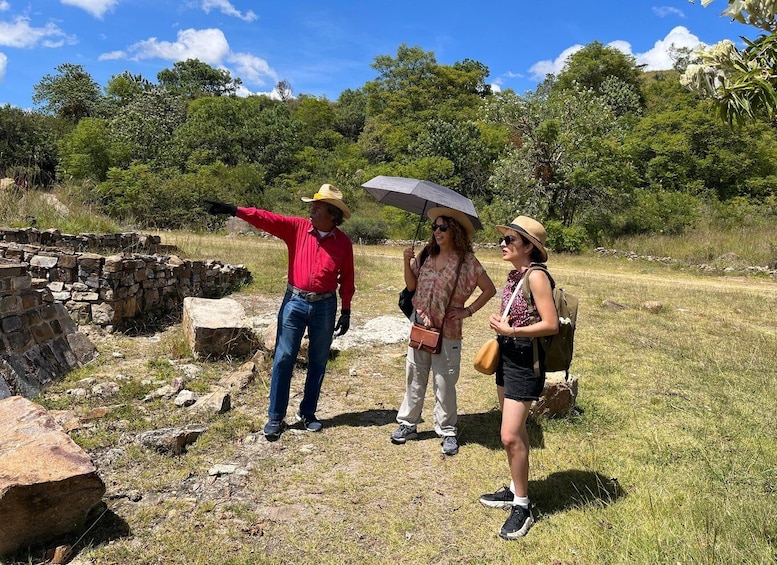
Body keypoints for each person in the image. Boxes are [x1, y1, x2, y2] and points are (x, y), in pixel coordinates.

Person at [204, 184, 355, 441]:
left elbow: (347, 279)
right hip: (294, 301)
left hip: (325, 306)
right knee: (284, 358)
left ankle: (308, 413)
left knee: (318, 361)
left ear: (332, 213)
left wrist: (347, 310)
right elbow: (266, 218)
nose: (311, 208)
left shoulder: (343, 243)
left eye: (317, 206)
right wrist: (234, 210)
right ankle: (275, 417)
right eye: (312, 204)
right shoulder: (296, 228)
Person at [391, 207, 496, 456]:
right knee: (415, 376)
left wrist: (467, 311)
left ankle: (447, 430)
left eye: (442, 227)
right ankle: (408, 424)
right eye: (434, 227)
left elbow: (489, 289)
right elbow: (411, 284)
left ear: (454, 231)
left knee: (444, 382)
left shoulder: (467, 261)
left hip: (448, 329)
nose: (437, 232)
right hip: (420, 323)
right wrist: (406, 263)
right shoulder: (427, 253)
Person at [478, 216, 559, 540]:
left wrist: (513, 330)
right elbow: (522, 314)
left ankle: (522, 507)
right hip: (508, 356)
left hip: (526, 361)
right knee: (517, 430)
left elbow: (551, 324)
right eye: (504, 239)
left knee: (509, 436)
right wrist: (503, 322)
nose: (503, 244)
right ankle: (515, 489)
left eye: (510, 240)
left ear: (528, 247)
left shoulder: (537, 276)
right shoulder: (516, 275)